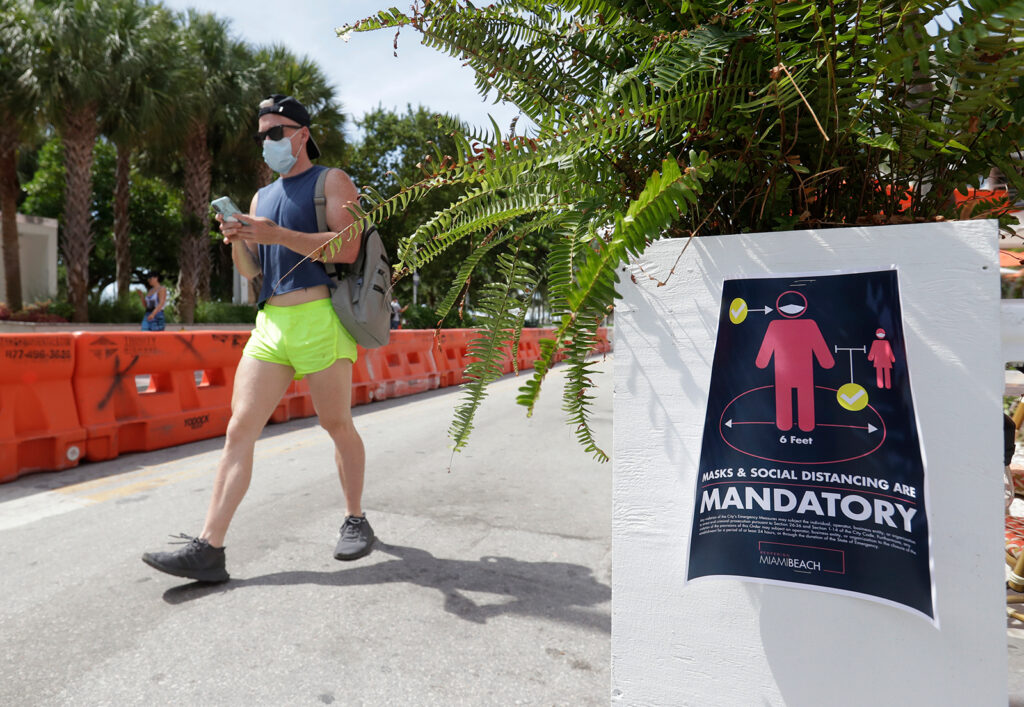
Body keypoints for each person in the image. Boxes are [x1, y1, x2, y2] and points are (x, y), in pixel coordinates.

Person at [142, 95, 374, 583]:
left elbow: (349, 248)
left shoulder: (332, 181)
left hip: (320, 316)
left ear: (302, 134)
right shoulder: (260, 198)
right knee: (239, 428)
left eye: (276, 132)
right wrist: (240, 241)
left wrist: (277, 234)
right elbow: (252, 270)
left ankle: (355, 517)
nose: (267, 142)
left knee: (335, 424)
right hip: (270, 323)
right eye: (261, 135)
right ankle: (210, 548)